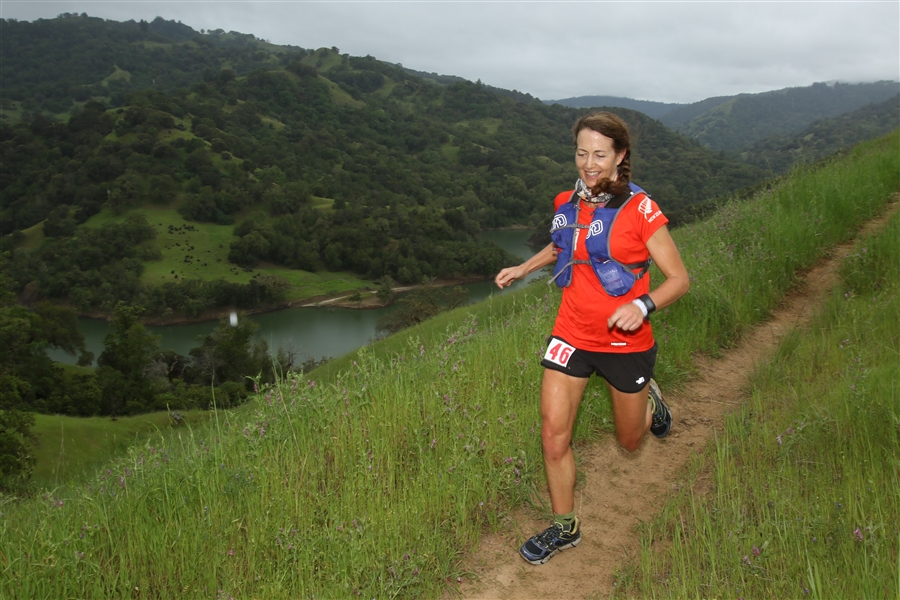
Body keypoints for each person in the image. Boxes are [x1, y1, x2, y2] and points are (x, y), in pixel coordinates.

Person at [494, 111, 690, 565]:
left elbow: (679, 278)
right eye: (582, 153)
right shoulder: (569, 200)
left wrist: (641, 306)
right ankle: (565, 527)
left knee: (629, 441)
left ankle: (652, 404)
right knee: (553, 436)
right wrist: (524, 267)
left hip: (627, 342)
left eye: (599, 154)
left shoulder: (641, 210)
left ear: (621, 156)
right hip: (572, 333)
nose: (589, 163)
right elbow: (564, 243)